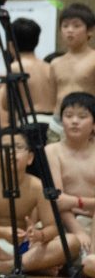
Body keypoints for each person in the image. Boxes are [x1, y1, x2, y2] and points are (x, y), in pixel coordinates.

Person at [0, 130, 80, 273]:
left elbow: (52, 227)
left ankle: (8, 266)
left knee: (71, 242)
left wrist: (40, 235)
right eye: (6, 148)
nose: (12, 152)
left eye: (18, 147)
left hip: (25, 247)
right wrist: (1, 232)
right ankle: (26, 266)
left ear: (30, 158)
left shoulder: (37, 186)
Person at [45, 92, 95, 252]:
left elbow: (65, 200)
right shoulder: (52, 151)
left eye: (82, 116)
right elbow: (57, 200)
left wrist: (75, 201)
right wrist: (79, 232)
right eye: (68, 115)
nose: (74, 121)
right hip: (65, 221)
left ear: (94, 123)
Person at [0, 17, 59, 141]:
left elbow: (6, 104)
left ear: (10, 44)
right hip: (52, 123)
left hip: (29, 122)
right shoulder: (50, 67)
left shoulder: (15, 68)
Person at [50, 4, 95, 108]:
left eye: (76, 26)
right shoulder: (55, 63)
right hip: (59, 118)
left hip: (88, 117)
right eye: (65, 26)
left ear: (90, 31)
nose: (69, 30)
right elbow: (52, 99)